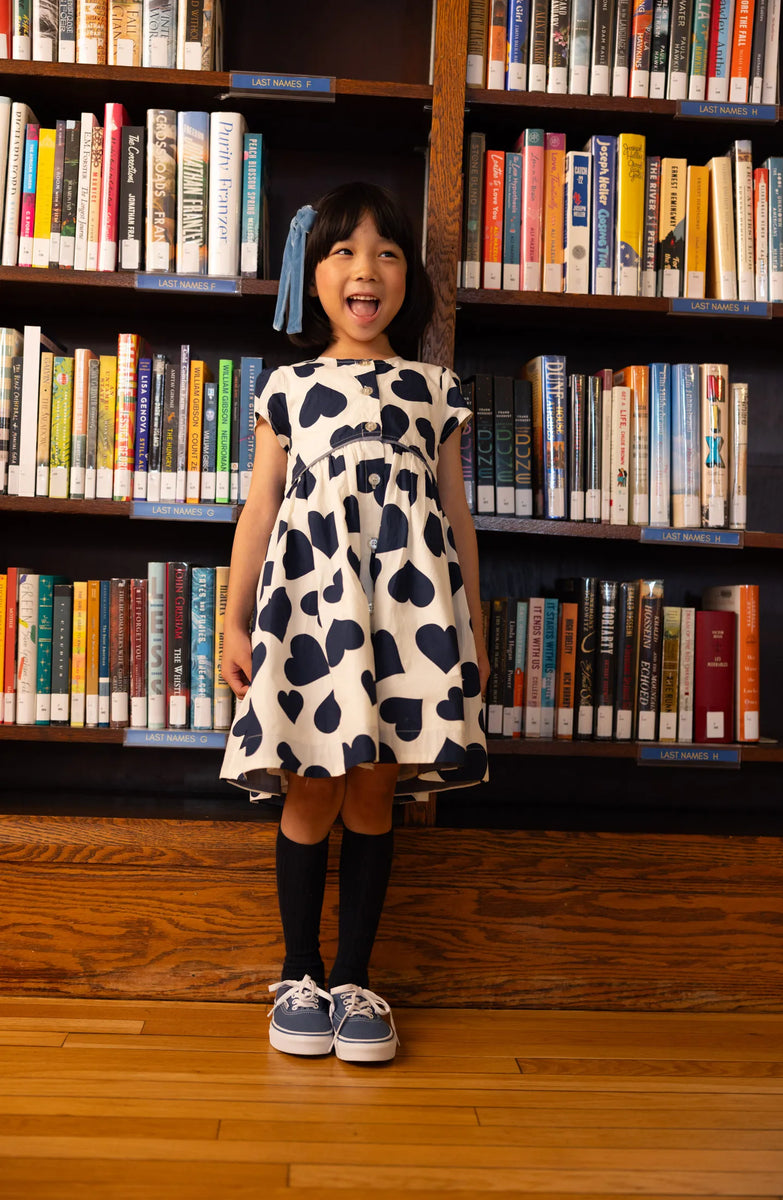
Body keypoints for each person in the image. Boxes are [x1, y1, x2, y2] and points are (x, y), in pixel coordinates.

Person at [220, 181, 490, 1064]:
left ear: (408, 277)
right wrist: (234, 620)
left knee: (376, 789)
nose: (366, 269)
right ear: (314, 271)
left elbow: (457, 520)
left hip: (410, 624)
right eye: (343, 250)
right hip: (311, 617)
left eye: (386, 252)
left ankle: (355, 979)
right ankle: (298, 974)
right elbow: (258, 513)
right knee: (311, 787)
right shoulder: (288, 389)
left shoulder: (435, 390)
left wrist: (474, 631)